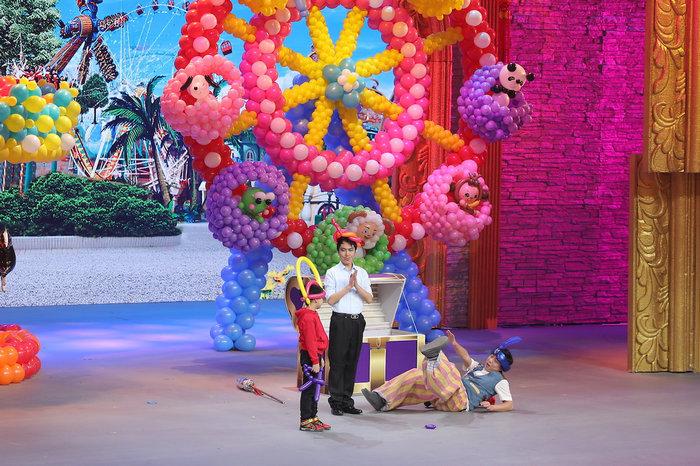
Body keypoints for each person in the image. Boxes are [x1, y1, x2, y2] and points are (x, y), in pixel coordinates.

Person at [362, 331, 518, 413]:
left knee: (453, 374)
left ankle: (434, 358)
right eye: (492, 356)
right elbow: (465, 356)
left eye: (496, 361)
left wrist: (494, 408)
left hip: (461, 401)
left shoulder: (500, 380)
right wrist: (454, 343)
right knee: (415, 375)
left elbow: (509, 404)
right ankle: (381, 399)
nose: (491, 360)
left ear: (501, 367)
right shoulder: (478, 367)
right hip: (444, 397)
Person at [324, 221, 373, 416]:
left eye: (350, 250)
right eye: (343, 250)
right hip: (340, 321)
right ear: (338, 252)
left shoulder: (362, 273)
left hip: (357, 321)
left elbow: (369, 298)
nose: (347, 254)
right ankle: (335, 401)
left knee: (352, 361)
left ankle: (347, 401)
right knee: (338, 361)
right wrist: (347, 287)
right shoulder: (332, 273)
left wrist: (356, 286)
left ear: (355, 251)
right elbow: (330, 299)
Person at [295, 281, 332, 432]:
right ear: (315, 299)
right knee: (309, 389)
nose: (323, 300)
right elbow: (310, 341)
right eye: (322, 298)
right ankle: (305, 419)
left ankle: (313, 417)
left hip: (315, 355)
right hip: (310, 356)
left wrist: (320, 356)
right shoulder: (308, 317)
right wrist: (315, 360)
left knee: (315, 388)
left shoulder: (312, 314)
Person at [0, 224, 16, 292]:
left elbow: (7, 244)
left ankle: (3, 285)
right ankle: (3, 285)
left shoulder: (5, 233)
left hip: (5, 253)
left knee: (4, 269)